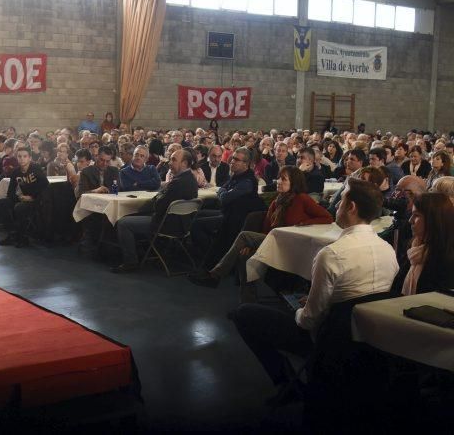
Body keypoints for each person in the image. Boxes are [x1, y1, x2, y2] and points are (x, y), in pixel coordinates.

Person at [229, 179, 398, 396]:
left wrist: (300, 308)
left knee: (243, 314)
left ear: (352, 207)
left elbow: (308, 320)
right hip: (368, 339)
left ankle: (287, 383)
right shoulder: (388, 250)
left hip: (330, 341)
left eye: (341, 199)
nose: (336, 205)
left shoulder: (332, 254)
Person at [189, 166, 333, 302]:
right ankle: (247, 302)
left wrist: (304, 223)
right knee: (245, 255)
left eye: (283, 179)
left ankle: (215, 274)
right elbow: (267, 228)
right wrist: (253, 245)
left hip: (291, 244)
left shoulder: (302, 199)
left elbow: (327, 217)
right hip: (274, 241)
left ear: (294, 183)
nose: (278, 182)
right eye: (278, 178)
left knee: (244, 235)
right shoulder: (277, 202)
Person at [112, 148, 199, 273]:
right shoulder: (190, 179)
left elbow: (158, 206)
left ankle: (131, 262)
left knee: (123, 223)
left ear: (184, 163)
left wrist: (159, 197)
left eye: (174, 160)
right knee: (138, 215)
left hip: (166, 225)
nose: (169, 162)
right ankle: (146, 251)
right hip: (183, 225)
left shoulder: (178, 183)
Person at [190, 147, 264, 264]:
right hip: (227, 212)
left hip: (234, 218)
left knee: (197, 224)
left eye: (236, 159)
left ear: (246, 164)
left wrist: (223, 192)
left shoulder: (247, 181)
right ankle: (206, 253)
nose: (232, 161)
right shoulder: (237, 176)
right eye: (232, 158)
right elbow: (223, 188)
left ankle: (212, 257)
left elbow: (224, 198)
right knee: (196, 214)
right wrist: (223, 192)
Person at [391, 192, 454, 296]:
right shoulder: (414, 248)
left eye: (416, 215)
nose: (410, 220)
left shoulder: (447, 259)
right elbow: (396, 288)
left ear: (434, 220)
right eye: (411, 214)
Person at [0, 146, 49, 248]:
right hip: (24, 199)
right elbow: (10, 192)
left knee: (19, 208)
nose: (22, 159)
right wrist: (19, 197)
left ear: (29, 158)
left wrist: (32, 197)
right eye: (19, 156)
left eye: (25, 156)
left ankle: (23, 237)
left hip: (37, 200)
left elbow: (45, 185)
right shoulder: (15, 172)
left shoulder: (35, 168)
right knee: (1, 203)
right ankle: (12, 234)